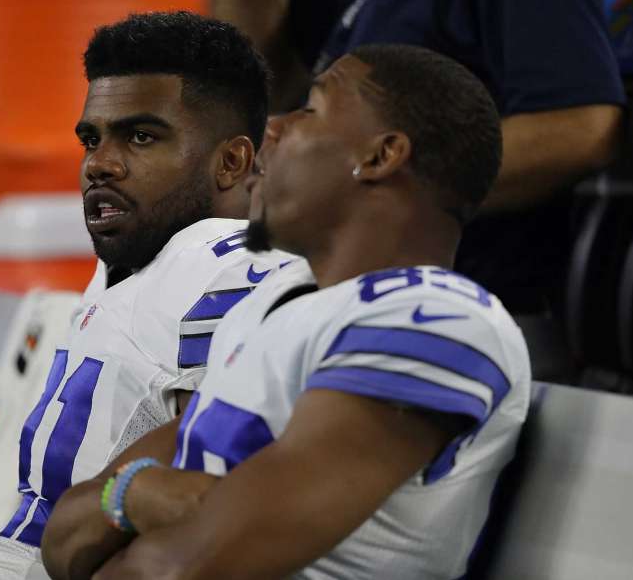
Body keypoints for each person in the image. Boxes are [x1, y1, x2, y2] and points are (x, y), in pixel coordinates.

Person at [43, 44, 531, 579]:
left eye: (311, 109)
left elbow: (191, 566)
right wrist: (138, 495)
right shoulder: (273, 311)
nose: (272, 127)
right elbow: (63, 539)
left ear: (380, 156)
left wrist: (130, 504)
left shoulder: (437, 319)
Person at [0, 11, 293, 579]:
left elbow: (214, 505)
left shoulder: (235, 267)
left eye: (141, 137)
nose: (100, 164)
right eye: (91, 139)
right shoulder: (138, 259)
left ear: (233, 161)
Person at [211, 0, 624, 319]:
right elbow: (264, 90)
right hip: (344, 299)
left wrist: (372, 190)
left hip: (459, 311)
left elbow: (579, 129)